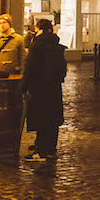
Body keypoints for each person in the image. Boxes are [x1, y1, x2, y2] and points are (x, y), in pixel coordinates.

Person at [22, 18, 66, 161]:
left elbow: (30, 67)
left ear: (38, 29)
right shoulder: (56, 45)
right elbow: (63, 69)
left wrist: (23, 86)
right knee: (52, 119)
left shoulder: (37, 45)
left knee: (41, 118)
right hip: (53, 87)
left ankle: (41, 150)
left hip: (39, 87)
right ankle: (50, 148)